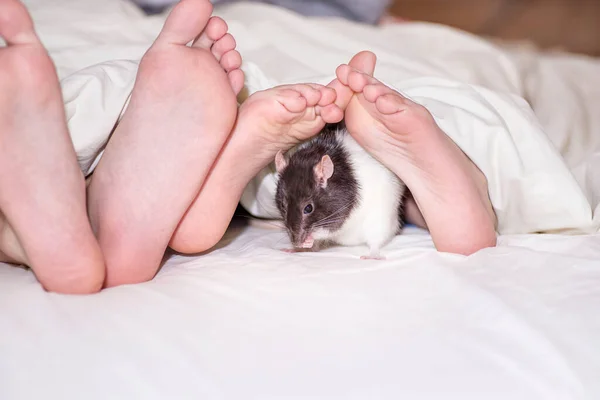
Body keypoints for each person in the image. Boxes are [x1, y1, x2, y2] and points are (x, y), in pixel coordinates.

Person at [0, 0, 496, 295]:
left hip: (82, 26)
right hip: (322, 41)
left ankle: (52, 213)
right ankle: (461, 176)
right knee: (428, 101)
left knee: (97, 91)